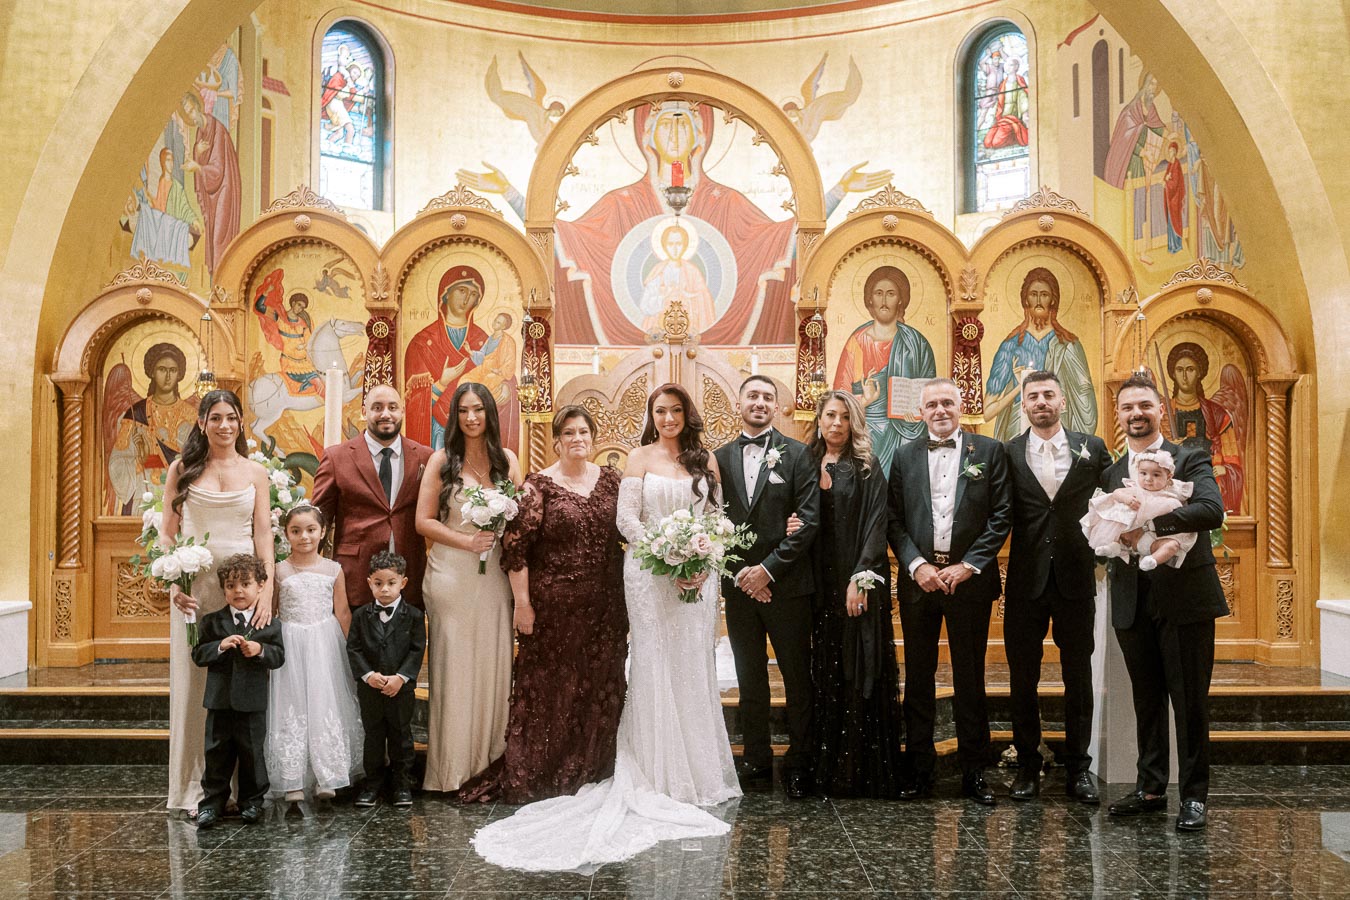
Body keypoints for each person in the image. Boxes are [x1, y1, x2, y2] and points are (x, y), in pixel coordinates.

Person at [471, 383, 739, 871]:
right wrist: (670, 551)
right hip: (644, 576)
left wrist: (701, 555)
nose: (668, 417)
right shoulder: (633, 461)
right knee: (648, 670)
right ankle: (641, 769)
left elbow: (719, 519)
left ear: (687, 414)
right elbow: (628, 521)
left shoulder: (705, 462)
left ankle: (694, 771)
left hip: (686, 580)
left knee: (684, 670)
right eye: (660, 410)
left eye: (676, 409)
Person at [459, 406, 628, 804]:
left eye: (584, 431)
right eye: (568, 433)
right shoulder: (537, 487)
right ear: (556, 441)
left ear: (594, 437)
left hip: (606, 609)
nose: (577, 439)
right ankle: (545, 774)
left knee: (599, 688)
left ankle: (594, 769)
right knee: (554, 690)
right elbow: (516, 550)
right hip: (554, 610)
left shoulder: (612, 482)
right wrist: (523, 604)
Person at [1102, 374, 1228, 832]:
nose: (1136, 414)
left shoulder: (1190, 457)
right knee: (1147, 699)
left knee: (1189, 701)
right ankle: (1151, 787)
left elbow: (1211, 510)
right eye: (1127, 407)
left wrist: (1151, 523)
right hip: (1132, 599)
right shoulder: (1111, 472)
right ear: (1118, 415)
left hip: (1185, 599)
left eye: (1144, 406)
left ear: (1161, 410)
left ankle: (1193, 797)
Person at [886, 379, 1011, 805]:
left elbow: (1001, 514)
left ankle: (975, 772)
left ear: (962, 407)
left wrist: (970, 564)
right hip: (920, 583)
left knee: (970, 677)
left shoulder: (989, 452)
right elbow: (893, 518)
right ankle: (918, 771)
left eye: (947, 403)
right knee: (918, 678)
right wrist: (917, 565)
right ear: (920, 412)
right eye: (932, 404)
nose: (940, 410)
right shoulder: (903, 456)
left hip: (969, 583)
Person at [1001, 370, 1111, 805]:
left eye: (1049, 395)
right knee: (1022, 678)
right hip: (1025, 581)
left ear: (1063, 402)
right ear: (1023, 405)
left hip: (1075, 579)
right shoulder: (1007, 453)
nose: (1041, 402)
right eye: (1033, 396)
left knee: (1077, 676)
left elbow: (1118, 500)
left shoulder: (1093, 449)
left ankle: (1078, 769)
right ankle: (1028, 765)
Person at [163, 389, 274, 818]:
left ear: (241, 423)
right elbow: (168, 533)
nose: (224, 425)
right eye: (216, 418)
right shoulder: (183, 470)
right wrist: (175, 581)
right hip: (197, 589)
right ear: (202, 422)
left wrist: (265, 587)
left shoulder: (256, 473)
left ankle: (243, 786)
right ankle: (197, 787)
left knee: (240, 683)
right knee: (196, 687)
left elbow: (263, 533)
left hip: (244, 588)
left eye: (231, 417)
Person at [713, 375, 820, 799]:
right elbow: (711, 521)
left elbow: (808, 519)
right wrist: (744, 575)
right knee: (749, 676)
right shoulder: (717, 458)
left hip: (788, 587)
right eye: (752, 396)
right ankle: (755, 758)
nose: (760, 402)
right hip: (740, 589)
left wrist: (767, 571)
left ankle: (799, 760)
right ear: (738, 402)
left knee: (797, 677)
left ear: (777, 407)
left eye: (767, 397)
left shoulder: (798, 455)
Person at [415, 383, 521, 793]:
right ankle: (450, 773)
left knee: (493, 667)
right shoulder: (442, 459)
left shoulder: (506, 460)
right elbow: (423, 521)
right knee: (455, 670)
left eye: (478, 410)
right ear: (454, 417)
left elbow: (517, 516)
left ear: (490, 414)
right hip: (451, 576)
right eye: (463, 411)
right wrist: (466, 540)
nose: (472, 418)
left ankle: (489, 768)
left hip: (494, 575)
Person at [803, 390, 903, 798]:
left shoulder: (866, 466)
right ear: (819, 419)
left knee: (859, 668)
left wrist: (859, 579)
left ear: (854, 422)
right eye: (830, 415)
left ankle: (859, 770)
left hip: (857, 582)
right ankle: (824, 768)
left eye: (845, 417)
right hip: (816, 584)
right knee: (823, 669)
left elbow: (877, 525)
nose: (837, 424)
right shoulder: (804, 462)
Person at [265, 504, 363, 810]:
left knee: (325, 703)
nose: (304, 536)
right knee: (291, 705)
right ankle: (292, 780)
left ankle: (327, 777)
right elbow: (274, 610)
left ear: (323, 533)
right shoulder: (279, 570)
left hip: (324, 643)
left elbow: (343, 612)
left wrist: (351, 652)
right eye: (295, 531)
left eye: (310, 530)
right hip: (291, 642)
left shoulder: (333, 569)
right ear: (286, 535)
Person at [313, 384, 433, 610]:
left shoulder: (426, 457)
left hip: (410, 575)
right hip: (356, 576)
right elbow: (319, 520)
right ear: (364, 411)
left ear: (403, 411)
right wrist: (307, 569)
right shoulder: (337, 457)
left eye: (392, 407)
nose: (385, 414)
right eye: (377, 407)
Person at [191, 553, 285, 829]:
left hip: (252, 701)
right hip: (219, 701)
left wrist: (260, 649)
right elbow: (199, 654)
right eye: (231, 586)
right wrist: (220, 646)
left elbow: (278, 656)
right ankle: (212, 803)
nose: (238, 591)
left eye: (245, 584)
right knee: (216, 752)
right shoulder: (212, 622)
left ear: (259, 587)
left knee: (252, 752)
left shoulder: (268, 622)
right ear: (223, 590)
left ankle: (252, 801)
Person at [832, 265, 938, 472]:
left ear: (900, 299)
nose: (883, 300)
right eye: (878, 293)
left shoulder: (916, 342)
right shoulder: (857, 341)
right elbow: (840, 396)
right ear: (869, 299)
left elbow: (930, 389)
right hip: (867, 430)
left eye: (890, 294)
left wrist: (917, 413)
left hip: (908, 430)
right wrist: (865, 401)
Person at [348, 551, 426, 809]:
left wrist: (401, 678)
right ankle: (372, 785)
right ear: (369, 582)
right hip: (370, 689)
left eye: (391, 583)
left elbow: (417, 649)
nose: (384, 589)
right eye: (378, 583)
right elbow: (354, 649)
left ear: (403, 583)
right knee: (373, 737)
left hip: (400, 689)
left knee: (401, 736)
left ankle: (402, 785)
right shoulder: (360, 616)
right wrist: (368, 675)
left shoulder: (414, 616)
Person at [983, 269, 1097, 442]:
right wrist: (1019, 388)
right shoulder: (1011, 346)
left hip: (1059, 429)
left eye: (1044, 295)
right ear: (1025, 299)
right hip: (1017, 432)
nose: (1038, 300)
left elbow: (1084, 398)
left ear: (1053, 300)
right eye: (1033, 294)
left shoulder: (1069, 345)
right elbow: (987, 409)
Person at [104, 342, 200, 514]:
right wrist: (139, 459)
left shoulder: (190, 415)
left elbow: (198, 460)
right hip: (144, 494)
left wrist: (156, 460)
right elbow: (117, 462)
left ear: (179, 374)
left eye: (173, 370)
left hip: (180, 495)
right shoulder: (136, 413)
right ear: (152, 373)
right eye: (162, 369)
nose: (168, 376)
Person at [403, 266, 491, 450]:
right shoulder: (421, 343)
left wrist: (505, 390)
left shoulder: (483, 341)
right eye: (462, 290)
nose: (467, 299)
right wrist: (441, 383)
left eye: (474, 294)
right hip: (437, 437)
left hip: (475, 436)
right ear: (445, 294)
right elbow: (412, 405)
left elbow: (499, 379)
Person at [1164, 341, 1246, 514]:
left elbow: (1232, 459)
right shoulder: (1162, 413)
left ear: (1200, 372)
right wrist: (1168, 445)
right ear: (1173, 374)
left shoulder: (1217, 415)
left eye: (1190, 370)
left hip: (1207, 483)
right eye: (1180, 370)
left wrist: (1225, 468)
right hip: (1171, 487)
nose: (1185, 377)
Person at [1083, 450, 1198, 570]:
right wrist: (1126, 499)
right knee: (1116, 522)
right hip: (1128, 536)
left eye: (1156, 475)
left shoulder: (1171, 497)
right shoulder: (1135, 490)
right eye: (1143, 473)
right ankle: (1115, 547)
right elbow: (1116, 493)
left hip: (1152, 541)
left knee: (1172, 545)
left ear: (1168, 477)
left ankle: (1153, 559)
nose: (1148, 479)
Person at [179, 89, 240, 277]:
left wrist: (197, 166)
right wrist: (197, 153)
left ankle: (223, 285)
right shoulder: (200, 134)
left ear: (198, 107)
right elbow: (204, 165)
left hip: (224, 190)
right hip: (211, 194)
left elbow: (218, 169)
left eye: (191, 111)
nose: (191, 116)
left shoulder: (218, 129)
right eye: (187, 114)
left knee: (219, 237)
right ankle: (216, 287)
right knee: (212, 235)